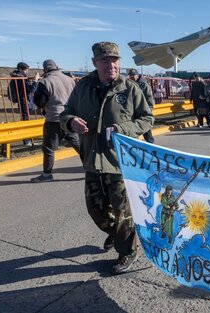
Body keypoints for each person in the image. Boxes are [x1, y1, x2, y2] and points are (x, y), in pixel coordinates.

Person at [59, 41, 153, 275]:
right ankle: (118, 233)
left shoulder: (129, 89)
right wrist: (70, 122)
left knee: (123, 212)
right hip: (92, 160)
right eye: (105, 60)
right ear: (95, 62)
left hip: (120, 164)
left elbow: (146, 119)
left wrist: (123, 129)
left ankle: (127, 251)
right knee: (96, 211)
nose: (111, 65)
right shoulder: (82, 88)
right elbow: (66, 112)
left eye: (114, 60)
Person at [30, 59, 80, 183]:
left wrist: (35, 86)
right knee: (78, 145)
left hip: (54, 119)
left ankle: (47, 174)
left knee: (48, 148)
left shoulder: (45, 82)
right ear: (57, 67)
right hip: (70, 118)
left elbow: (39, 102)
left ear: (44, 70)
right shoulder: (69, 80)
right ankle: (93, 168)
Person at [9, 62, 40, 145]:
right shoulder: (20, 78)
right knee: (25, 121)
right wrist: (35, 80)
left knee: (26, 120)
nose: (27, 72)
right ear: (20, 69)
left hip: (25, 100)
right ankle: (26, 141)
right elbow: (32, 89)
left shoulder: (20, 77)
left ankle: (29, 139)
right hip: (24, 101)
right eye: (25, 70)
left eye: (27, 70)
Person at [128, 68, 155, 143]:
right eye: (130, 75)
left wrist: (149, 109)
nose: (132, 77)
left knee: (146, 129)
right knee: (133, 130)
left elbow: (149, 97)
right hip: (133, 111)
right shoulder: (129, 84)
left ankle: (150, 145)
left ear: (137, 75)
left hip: (143, 110)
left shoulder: (144, 85)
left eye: (133, 75)